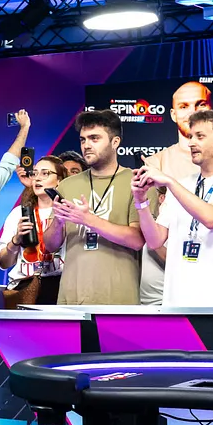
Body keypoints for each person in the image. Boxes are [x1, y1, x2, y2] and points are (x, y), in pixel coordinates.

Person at [133, 110, 213, 307]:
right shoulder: (183, 184)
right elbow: (155, 240)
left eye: (200, 136)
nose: (191, 143)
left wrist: (170, 182)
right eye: (190, 136)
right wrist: (141, 202)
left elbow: (211, 218)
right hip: (175, 302)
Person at [44, 109, 144, 305]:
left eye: (94, 138)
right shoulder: (67, 185)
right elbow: (50, 245)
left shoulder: (136, 183)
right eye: (83, 140)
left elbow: (137, 240)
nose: (86, 145)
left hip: (119, 301)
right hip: (70, 300)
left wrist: (88, 220)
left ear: (115, 142)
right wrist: (58, 221)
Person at [0, 156, 66, 307]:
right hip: (24, 288)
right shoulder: (18, 213)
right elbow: (4, 263)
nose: (37, 178)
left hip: (58, 287)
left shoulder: (68, 213)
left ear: (60, 180)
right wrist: (16, 240)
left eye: (45, 173)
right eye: (35, 173)